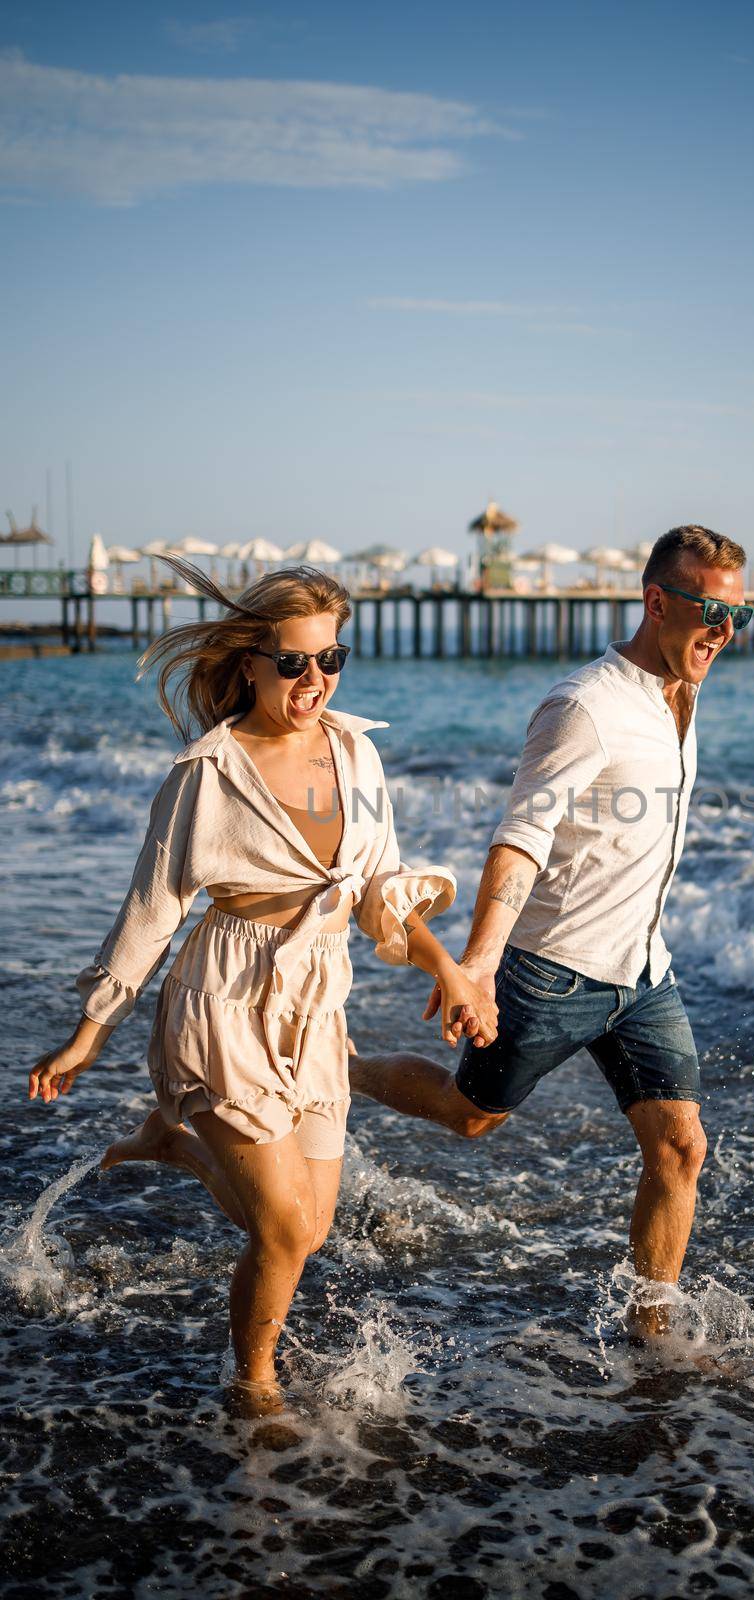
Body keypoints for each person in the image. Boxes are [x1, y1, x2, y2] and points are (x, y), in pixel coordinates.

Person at [27, 558, 495, 1412]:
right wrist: (89, 1034)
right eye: (293, 662)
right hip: (224, 1002)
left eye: (331, 659)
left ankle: (178, 1145)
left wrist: (453, 972)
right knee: (281, 1230)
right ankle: (254, 1384)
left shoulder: (356, 754)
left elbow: (380, 891)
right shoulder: (208, 773)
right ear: (249, 662)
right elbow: (152, 909)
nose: (314, 679)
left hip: (316, 1004)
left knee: (307, 1229)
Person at [349, 525, 750, 1336]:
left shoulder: (683, 688)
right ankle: (341, 1063)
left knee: (680, 1147)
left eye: (737, 614)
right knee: (471, 1116)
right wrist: (475, 967)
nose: (723, 630)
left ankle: (651, 1332)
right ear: (655, 602)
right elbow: (518, 839)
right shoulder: (583, 707)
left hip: (643, 973)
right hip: (553, 969)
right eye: (708, 609)